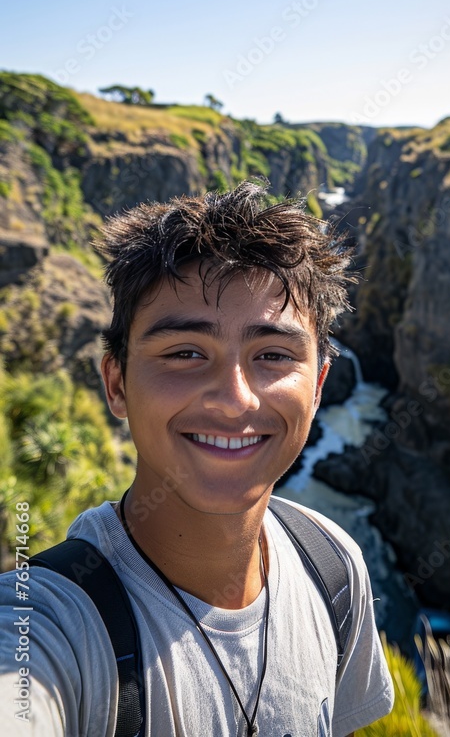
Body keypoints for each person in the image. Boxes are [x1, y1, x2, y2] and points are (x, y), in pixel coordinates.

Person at [0, 180, 394, 735]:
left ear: (319, 386)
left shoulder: (333, 568)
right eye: (185, 352)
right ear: (116, 383)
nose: (235, 400)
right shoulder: (47, 627)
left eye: (273, 355)